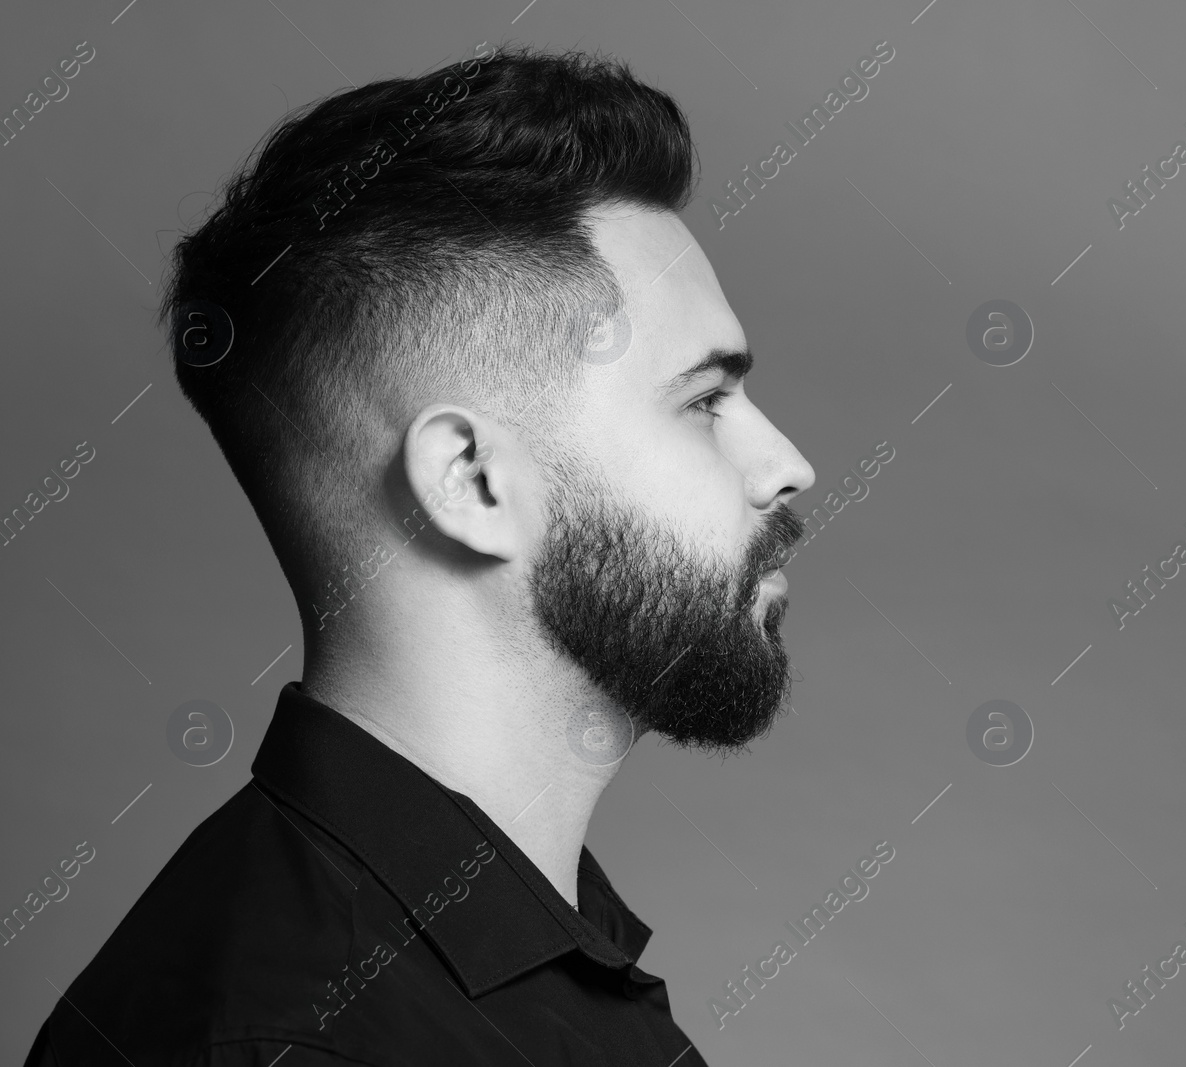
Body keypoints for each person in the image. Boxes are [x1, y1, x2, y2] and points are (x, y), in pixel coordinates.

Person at [27, 43, 814, 1066]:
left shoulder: (532, 968)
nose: (786, 465)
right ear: (472, 481)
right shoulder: (292, 1036)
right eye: (704, 399)